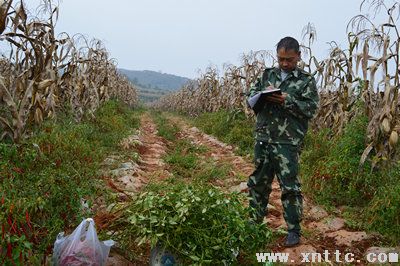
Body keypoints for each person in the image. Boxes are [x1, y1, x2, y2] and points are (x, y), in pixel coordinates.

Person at [246, 36, 319, 247]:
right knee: (258, 183)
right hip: (263, 138)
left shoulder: (306, 80)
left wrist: (288, 100)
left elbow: (311, 108)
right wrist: (260, 97)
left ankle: (294, 231)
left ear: (298, 56)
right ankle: (253, 225)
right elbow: (250, 97)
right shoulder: (267, 75)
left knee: (289, 188)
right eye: (281, 59)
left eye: (289, 59)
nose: (285, 63)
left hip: (287, 142)